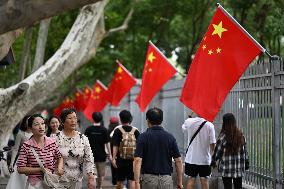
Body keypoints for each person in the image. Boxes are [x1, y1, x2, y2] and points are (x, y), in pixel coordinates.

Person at [133, 107, 183, 189]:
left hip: (148, 180)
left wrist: (137, 182)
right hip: (166, 180)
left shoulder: (143, 137)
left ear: (147, 120)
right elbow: (178, 161)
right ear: (161, 120)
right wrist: (180, 182)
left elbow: (137, 160)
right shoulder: (170, 137)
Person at [17, 114, 64, 188]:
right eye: (36, 124)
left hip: (50, 183)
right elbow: (20, 169)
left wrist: (59, 168)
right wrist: (40, 169)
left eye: (42, 123)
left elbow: (59, 157)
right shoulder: (26, 146)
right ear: (30, 128)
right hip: (34, 185)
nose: (41, 126)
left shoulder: (52, 142)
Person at [55, 108, 95, 189]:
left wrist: (91, 177)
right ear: (62, 122)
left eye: (75, 118)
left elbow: (89, 158)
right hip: (59, 180)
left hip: (77, 181)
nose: (73, 120)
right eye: (70, 118)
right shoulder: (56, 138)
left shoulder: (83, 138)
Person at [211, 113, 249, 189]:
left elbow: (217, 153)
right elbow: (245, 152)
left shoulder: (222, 138)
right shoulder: (241, 136)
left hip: (226, 169)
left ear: (225, 123)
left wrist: (213, 161)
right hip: (238, 168)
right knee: (238, 187)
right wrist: (246, 162)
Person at [181, 113, 216, 189]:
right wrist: (214, 156)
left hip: (191, 159)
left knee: (190, 181)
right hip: (205, 160)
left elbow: (183, 128)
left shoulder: (189, 121)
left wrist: (189, 118)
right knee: (204, 182)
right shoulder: (210, 125)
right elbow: (212, 143)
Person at [111, 110, 140, 189]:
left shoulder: (117, 131)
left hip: (121, 159)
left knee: (120, 180)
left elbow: (115, 145)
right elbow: (139, 145)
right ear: (130, 119)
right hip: (132, 160)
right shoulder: (135, 131)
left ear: (120, 119)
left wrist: (113, 158)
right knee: (132, 180)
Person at [85, 112, 112, 189]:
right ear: (101, 119)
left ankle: (92, 187)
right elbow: (107, 144)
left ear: (93, 119)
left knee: (92, 175)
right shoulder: (104, 130)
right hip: (101, 156)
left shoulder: (89, 130)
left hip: (90, 156)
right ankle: (99, 187)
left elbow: (85, 143)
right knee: (101, 175)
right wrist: (110, 155)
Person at [6, 115, 33, 189]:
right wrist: (11, 164)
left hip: (34, 163)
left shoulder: (37, 134)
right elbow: (15, 149)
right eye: (28, 121)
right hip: (22, 162)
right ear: (25, 122)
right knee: (18, 184)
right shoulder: (20, 134)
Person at [107, 116, 120, 185]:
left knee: (113, 166)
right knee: (119, 166)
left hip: (111, 151)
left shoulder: (108, 131)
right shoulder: (119, 130)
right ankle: (119, 180)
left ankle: (114, 181)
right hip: (119, 151)